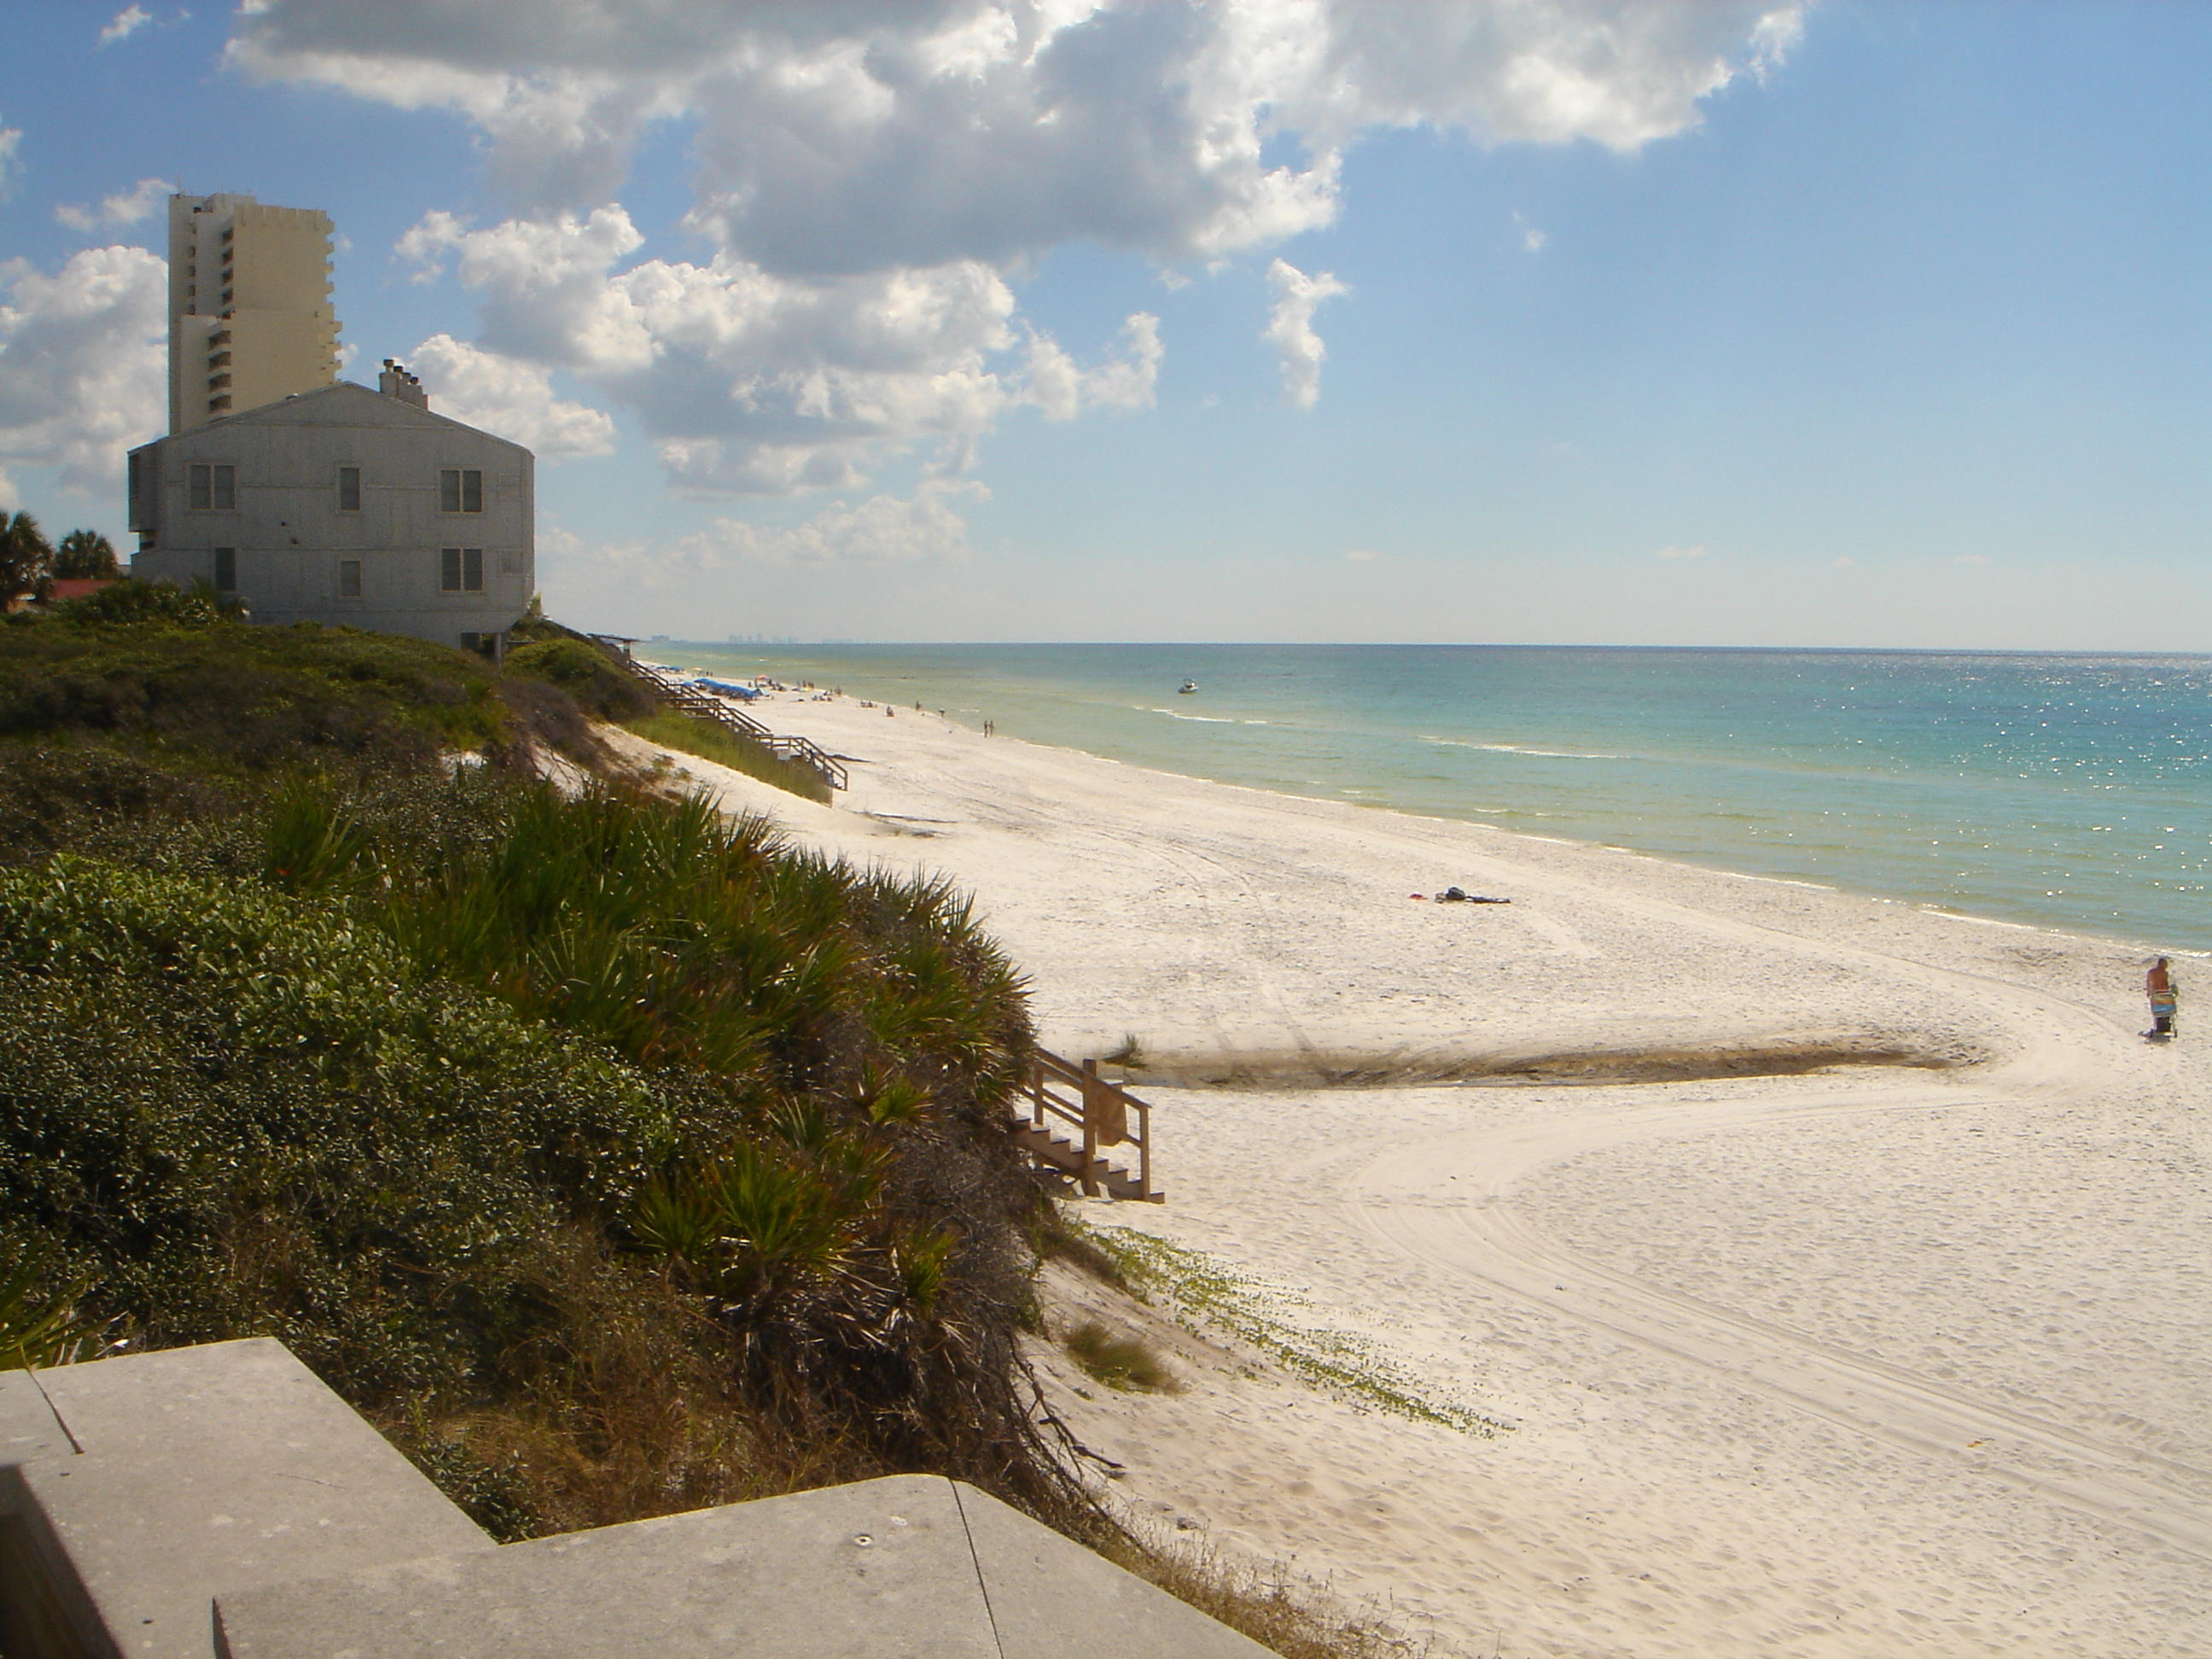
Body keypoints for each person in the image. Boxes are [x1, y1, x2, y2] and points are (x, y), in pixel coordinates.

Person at [2146, 956, 2178, 1039]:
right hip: (2166, 999)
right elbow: (2166, 985)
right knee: (2166, 1007)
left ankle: (2160, 1027)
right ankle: (2165, 1027)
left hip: (2157, 998)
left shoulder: (2152, 972)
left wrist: (2149, 992)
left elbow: (2149, 983)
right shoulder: (2165, 973)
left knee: (2158, 1008)